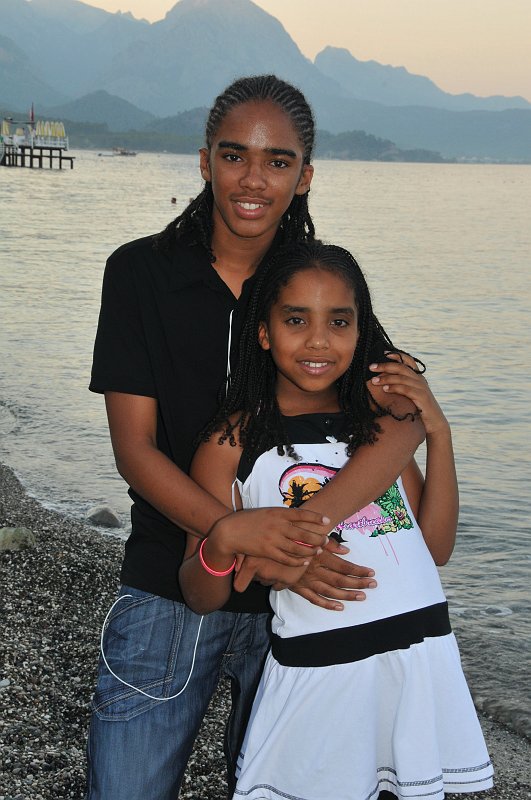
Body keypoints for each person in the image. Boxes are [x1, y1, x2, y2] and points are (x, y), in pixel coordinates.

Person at [87, 75, 424, 800]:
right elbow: (135, 450)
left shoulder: (313, 285)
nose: (253, 179)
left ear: (304, 177)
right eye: (234, 154)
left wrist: (298, 539)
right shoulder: (141, 274)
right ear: (204, 162)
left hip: (306, 599)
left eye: (278, 161)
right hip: (172, 584)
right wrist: (241, 539)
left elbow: (400, 421)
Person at [180, 240, 493, 800]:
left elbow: (436, 549)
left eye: (339, 322)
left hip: (418, 655)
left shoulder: (376, 430)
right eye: (296, 319)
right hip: (321, 666)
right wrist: (226, 541)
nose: (319, 340)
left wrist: (439, 433)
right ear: (263, 332)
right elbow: (201, 594)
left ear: (359, 331)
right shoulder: (232, 441)